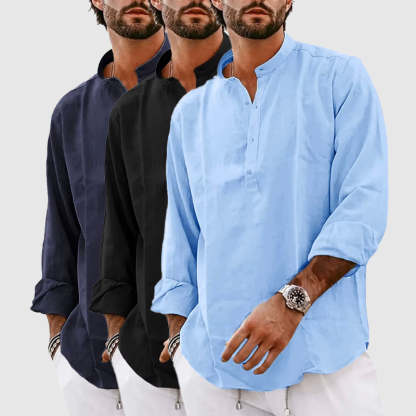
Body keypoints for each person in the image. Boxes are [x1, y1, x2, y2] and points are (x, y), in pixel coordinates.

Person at [150, 0, 388, 415]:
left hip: (324, 366)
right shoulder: (191, 114)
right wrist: (180, 340)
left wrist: (292, 302)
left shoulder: (339, 79)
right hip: (218, 370)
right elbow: (181, 237)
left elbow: (363, 206)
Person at [89, 1, 230, 414]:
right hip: (149, 366)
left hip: (244, 360)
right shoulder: (130, 112)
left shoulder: (261, 93)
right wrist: (118, 336)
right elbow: (119, 231)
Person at [30, 1, 169, 415]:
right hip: (91, 369)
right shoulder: (71, 113)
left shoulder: (202, 91)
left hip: (177, 364)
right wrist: (59, 340)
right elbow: (61, 230)